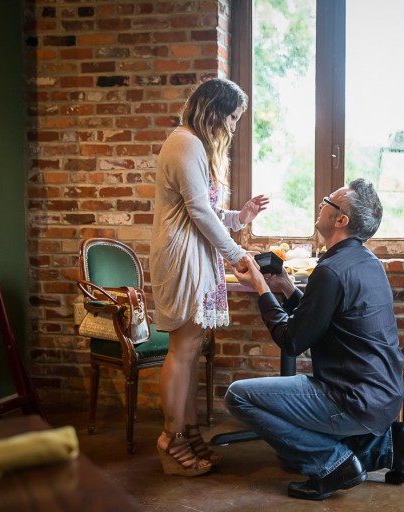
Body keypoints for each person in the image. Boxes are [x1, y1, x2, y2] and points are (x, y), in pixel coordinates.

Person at [227, 179, 404, 500]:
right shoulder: (367, 262)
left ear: (341, 220)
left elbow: (291, 341)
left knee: (238, 396)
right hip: (385, 398)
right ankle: (385, 449)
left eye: (329, 200)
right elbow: (320, 319)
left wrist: (260, 286)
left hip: (351, 400)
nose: (322, 203)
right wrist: (286, 286)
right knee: (290, 434)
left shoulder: (329, 271)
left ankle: (332, 463)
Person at [150, 77, 269, 477]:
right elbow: (198, 213)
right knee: (182, 351)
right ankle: (169, 438)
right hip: (183, 257)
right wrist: (235, 255)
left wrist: (241, 217)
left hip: (197, 254)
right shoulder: (184, 142)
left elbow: (205, 210)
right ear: (214, 111)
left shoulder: (194, 145)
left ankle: (188, 430)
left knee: (193, 349)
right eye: (233, 117)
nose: (234, 127)